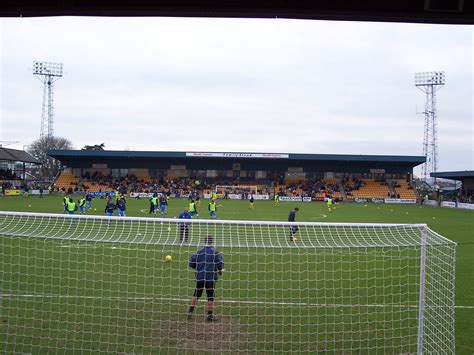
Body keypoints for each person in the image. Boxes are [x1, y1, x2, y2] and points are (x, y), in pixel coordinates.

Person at [187, 235, 224, 322]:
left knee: (196, 294)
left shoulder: (199, 252)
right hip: (210, 278)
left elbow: (191, 263)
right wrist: (220, 271)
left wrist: (198, 266)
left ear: (205, 242)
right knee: (210, 296)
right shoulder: (215, 253)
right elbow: (220, 264)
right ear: (212, 242)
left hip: (200, 277)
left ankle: (190, 312)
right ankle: (210, 315)